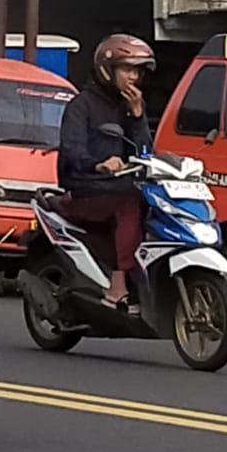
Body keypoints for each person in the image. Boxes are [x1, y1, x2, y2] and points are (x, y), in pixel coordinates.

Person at [57, 33, 155, 307]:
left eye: (137, 71)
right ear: (106, 69)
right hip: (86, 190)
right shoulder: (81, 105)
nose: (133, 77)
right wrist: (98, 164)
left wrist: (138, 116)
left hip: (119, 187)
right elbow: (71, 151)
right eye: (126, 69)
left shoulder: (131, 107)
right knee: (129, 204)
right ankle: (118, 284)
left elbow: (145, 152)